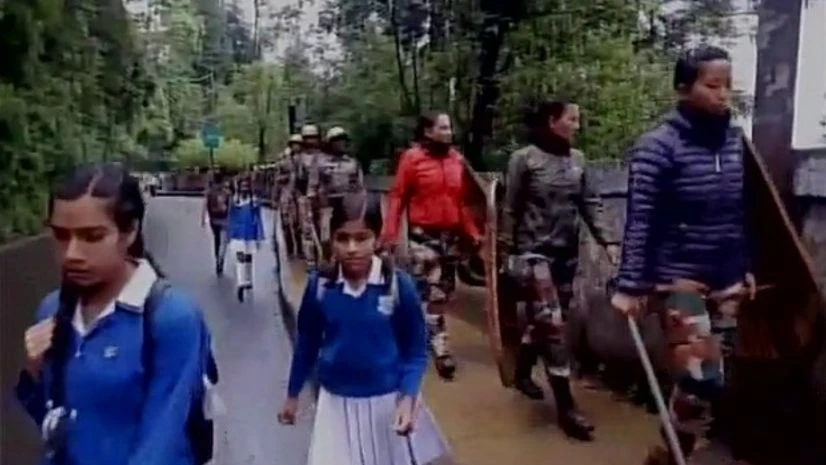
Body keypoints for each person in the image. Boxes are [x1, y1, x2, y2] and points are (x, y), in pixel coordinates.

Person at [609, 46, 756, 465]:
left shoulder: (733, 142)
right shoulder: (657, 147)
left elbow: (740, 210)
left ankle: (668, 453)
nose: (723, 95)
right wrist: (630, 286)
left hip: (726, 279)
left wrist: (745, 265)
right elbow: (640, 220)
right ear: (682, 89)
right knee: (702, 377)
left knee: (705, 385)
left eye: (728, 86)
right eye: (712, 86)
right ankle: (669, 456)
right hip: (679, 280)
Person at [16, 163, 214, 465]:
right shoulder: (53, 310)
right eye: (61, 236)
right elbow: (55, 423)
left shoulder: (171, 317)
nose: (72, 254)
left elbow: (163, 441)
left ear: (130, 230)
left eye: (92, 237)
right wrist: (33, 372)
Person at [278, 192, 449, 465]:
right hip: (335, 403)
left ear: (377, 238)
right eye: (343, 239)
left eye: (361, 238)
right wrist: (292, 394)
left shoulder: (396, 285)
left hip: (387, 403)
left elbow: (415, 351)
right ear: (332, 240)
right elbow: (307, 342)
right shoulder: (320, 286)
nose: (352, 248)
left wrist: (408, 397)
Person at [501, 99, 619, 441]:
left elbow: (591, 204)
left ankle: (523, 372)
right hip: (532, 255)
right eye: (572, 119)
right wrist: (505, 255)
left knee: (546, 321)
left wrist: (608, 241)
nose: (577, 125)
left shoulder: (578, 161)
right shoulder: (523, 159)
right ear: (553, 121)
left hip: (566, 256)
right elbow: (510, 209)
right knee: (553, 328)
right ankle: (567, 406)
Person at [379, 111, 482, 381]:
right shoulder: (412, 159)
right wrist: (388, 234)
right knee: (432, 293)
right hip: (423, 236)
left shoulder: (457, 160)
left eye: (450, 128)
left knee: (442, 293)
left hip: (451, 237)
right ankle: (441, 349)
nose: (450, 132)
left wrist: (473, 233)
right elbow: (398, 196)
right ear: (428, 131)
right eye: (444, 128)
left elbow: (462, 202)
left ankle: (417, 330)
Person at [309, 126, 365, 264]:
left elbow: (360, 187)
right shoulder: (320, 161)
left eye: (343, 140)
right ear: (330, 143)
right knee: (326, 238)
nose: (341, 144)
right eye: (337, 140)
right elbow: (312, 184)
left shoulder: (352, 163)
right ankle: (327, 261)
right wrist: (312, 202)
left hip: (348, 205)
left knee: (349, 235)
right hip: (326, 205)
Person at [227, 175, 265, 302]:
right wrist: (229, 233)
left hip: (250, 234)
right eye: (242, 186)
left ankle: (248, 280)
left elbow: (258, 218)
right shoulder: (235, 201)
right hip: (237, 235)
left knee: (248, 258)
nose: (244, 189)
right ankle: (240, 283)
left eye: (246, 186)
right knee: (240, 258)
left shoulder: (254, 201)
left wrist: (260, 235)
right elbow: (230, 217)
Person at [295, 124, 324, 269]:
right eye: (308, 138)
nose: (311, 141)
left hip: (324, 198)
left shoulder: (324, 156)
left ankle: (325, 258)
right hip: (306, 197)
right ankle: (311, 261)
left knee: (324, 228)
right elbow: (299, 179)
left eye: (313, 137)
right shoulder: (301, 159)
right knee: (307, 229)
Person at [274, 134, 303, 258]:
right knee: (287, 223)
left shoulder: (304, 160)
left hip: (300, 194)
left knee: (301, 224)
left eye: (298, 144)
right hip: (286, 194)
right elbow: (277, 179)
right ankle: (290, 249)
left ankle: (301, 249)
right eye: (294, 144)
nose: (296, 147)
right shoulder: (284, 162)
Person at [202, 172, 232, 276]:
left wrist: (202, 219)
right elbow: (230, 208)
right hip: (224, 220)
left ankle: (217, 258)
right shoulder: (227, 193)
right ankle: (220, 259)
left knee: (217, 240)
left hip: (213, 219)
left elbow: (205, 205)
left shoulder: (209, 192)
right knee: (223, 242)